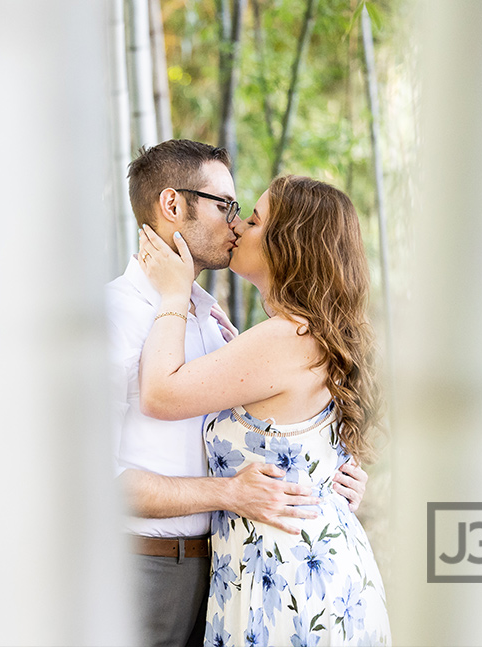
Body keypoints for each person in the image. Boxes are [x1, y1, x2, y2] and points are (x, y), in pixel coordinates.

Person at [107, 141, 370, 647]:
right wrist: (238, 491)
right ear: (172, 205)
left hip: (261, 573)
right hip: (149, 571)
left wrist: (327, 480)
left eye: (249, 217)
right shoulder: (116, 317)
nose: (236, 224)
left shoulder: (215, 320)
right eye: (228, 206)